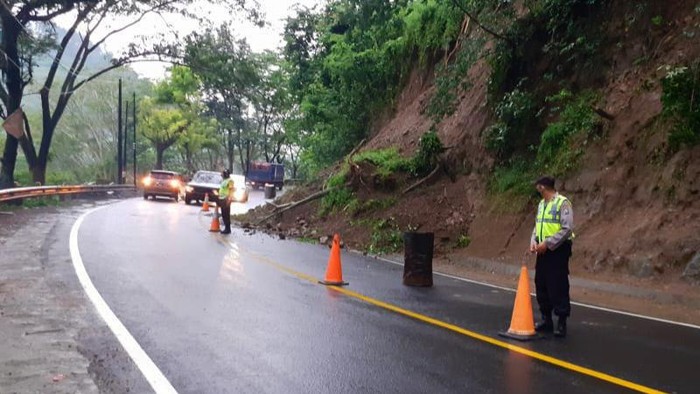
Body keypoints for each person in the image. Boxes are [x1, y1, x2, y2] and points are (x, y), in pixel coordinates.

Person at [529, 175, 574, 338]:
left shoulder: (563, 203)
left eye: (538, 186)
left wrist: (547, 243)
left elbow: (567, 229)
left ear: (543, 187)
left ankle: (561, 321)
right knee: (541, 283)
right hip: (543, 251)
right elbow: (537, 226)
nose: (536, 189)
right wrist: (534, 241)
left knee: (558, 284)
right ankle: (546, 319)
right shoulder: (542, 205)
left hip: (558, 250)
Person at [218, 169, 234, 234]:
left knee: (226, 214)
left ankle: (228, 229)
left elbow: (231, 190)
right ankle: (226, 228)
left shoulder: (230, 181)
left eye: (223, 174)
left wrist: (229, 199)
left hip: (226, 199)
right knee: (223, 214)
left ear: (226, 174)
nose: (222, 175)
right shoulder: (224, 181)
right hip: (222, 199)